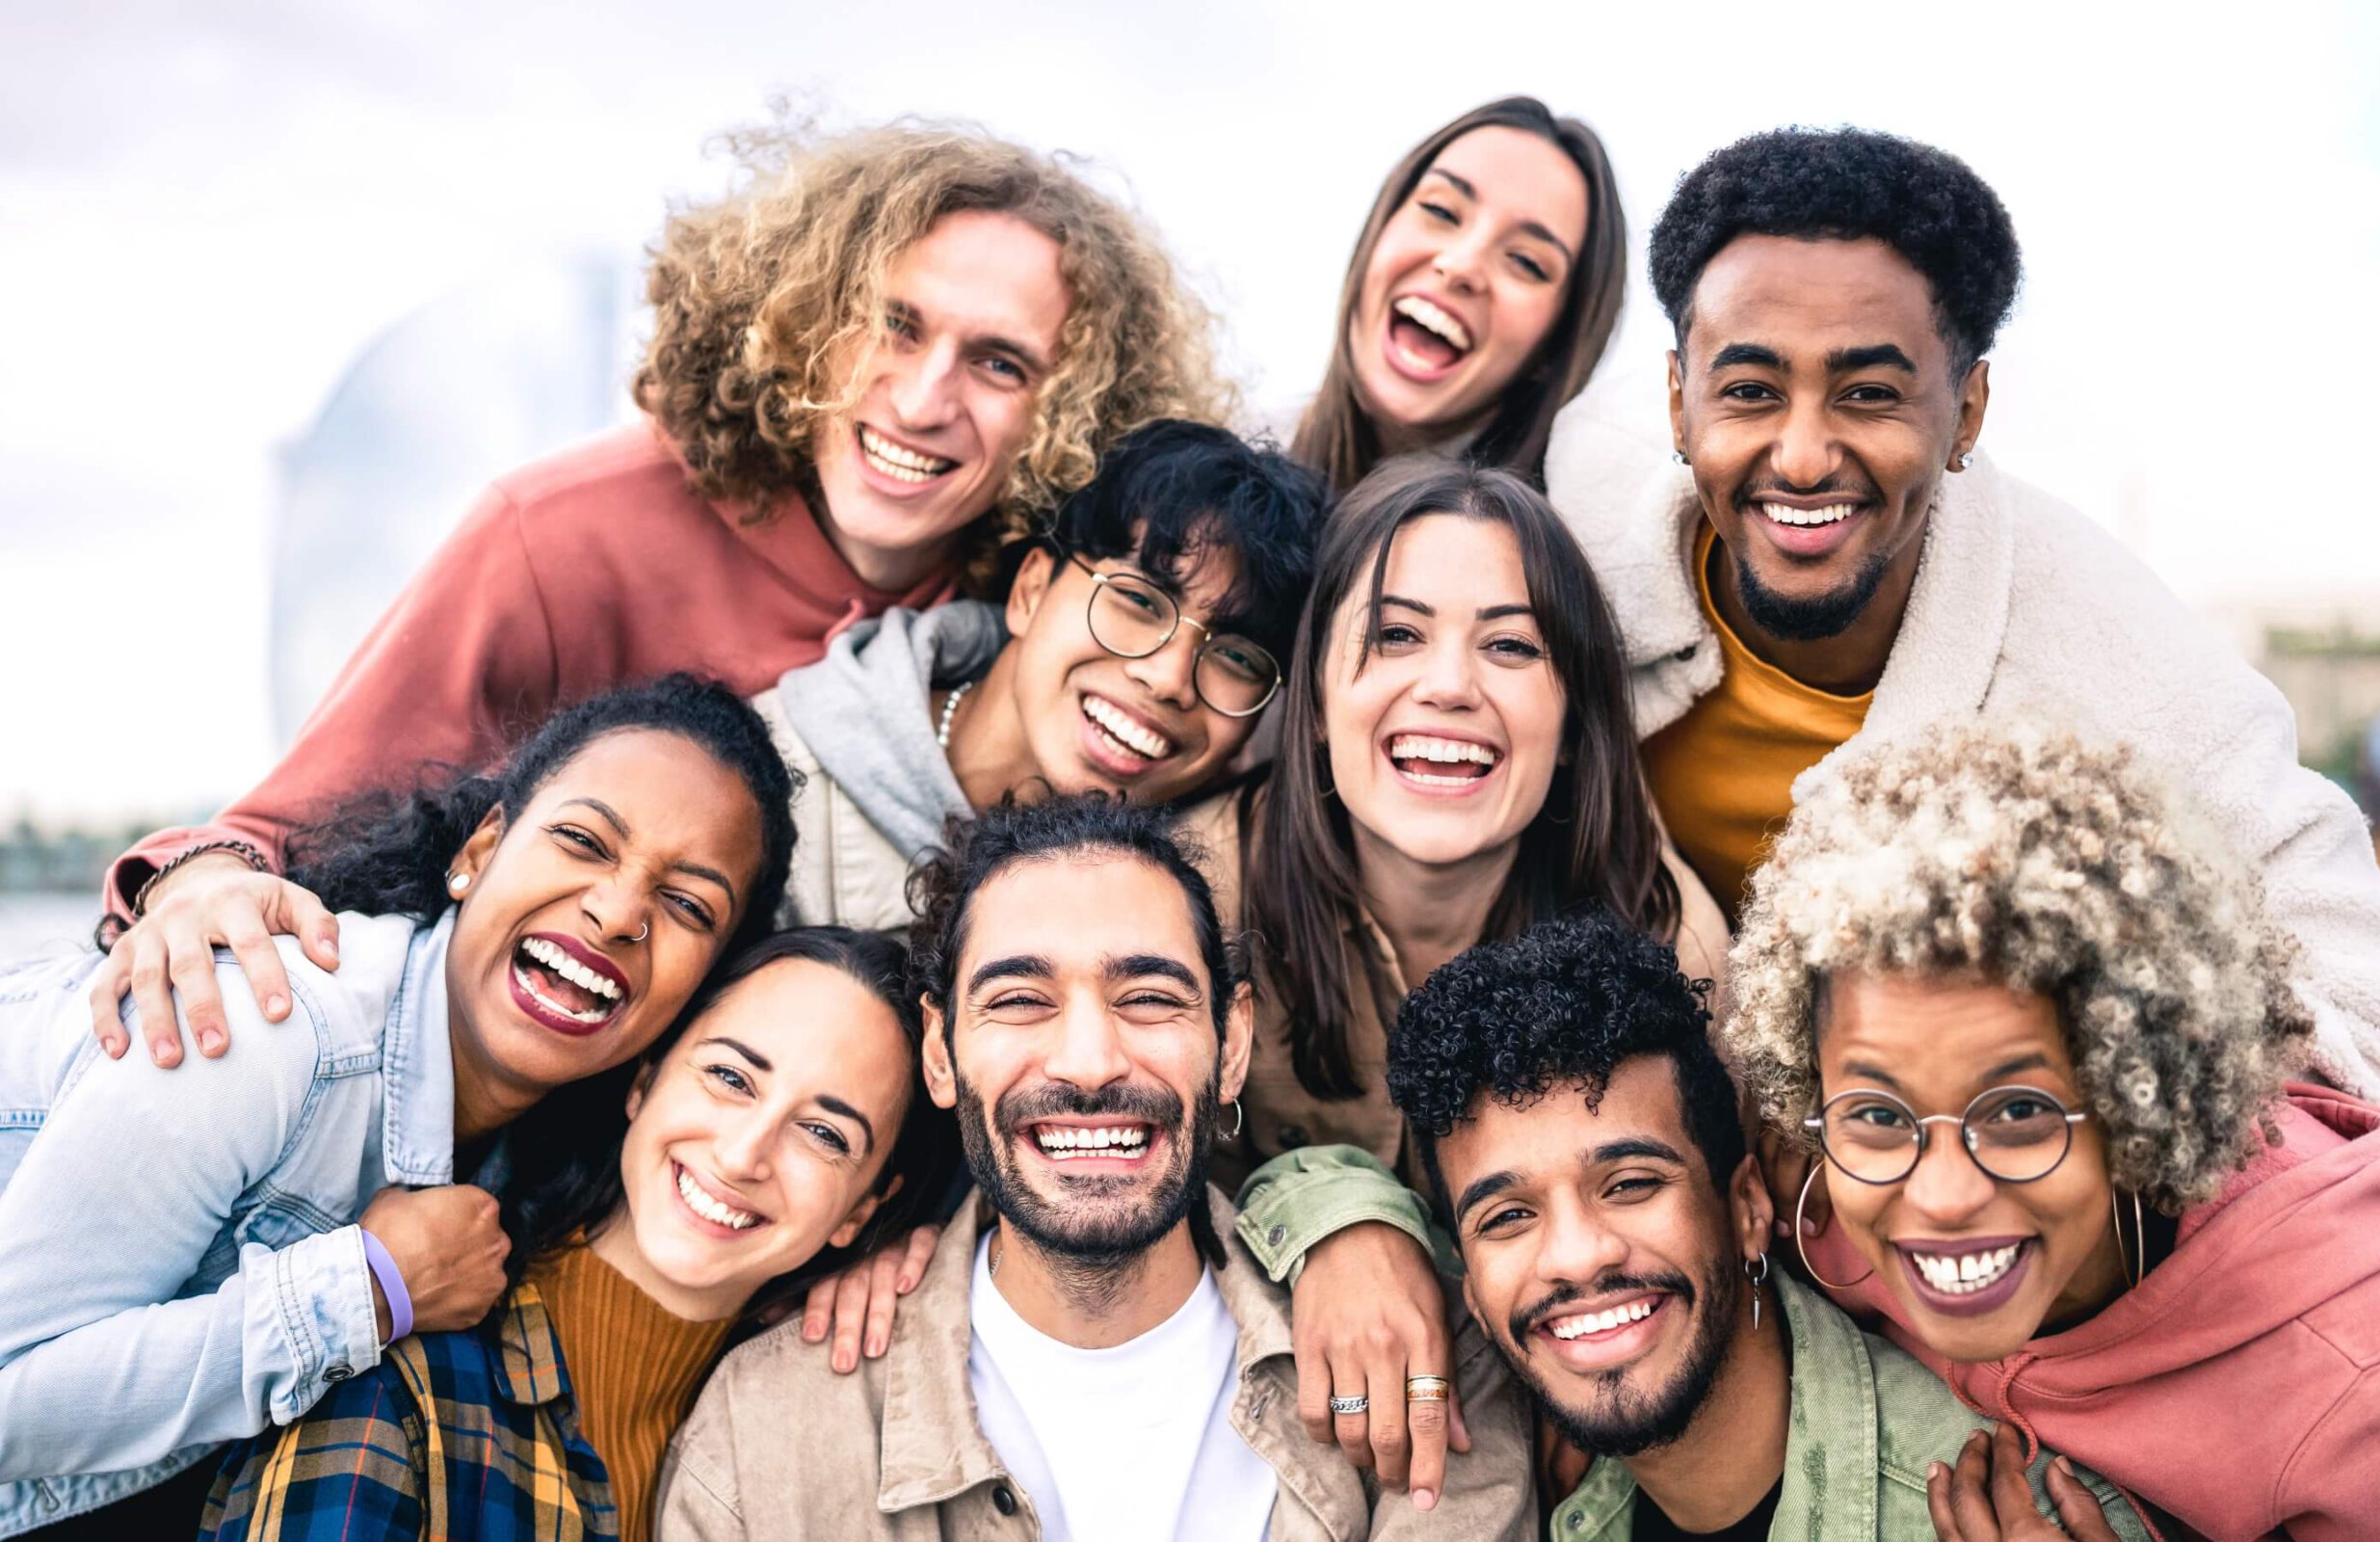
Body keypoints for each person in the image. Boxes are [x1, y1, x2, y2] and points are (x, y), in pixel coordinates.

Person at [91, 120, 1226, 1073]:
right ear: (801, 318)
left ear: (1067, 411)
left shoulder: (1035, 605)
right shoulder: (563, 532)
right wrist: (197, 884)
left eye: (999, 364)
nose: (925, 399)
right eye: (893, 323)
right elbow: (285, 834)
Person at [1538, 125, 2380, 1121]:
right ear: (1679, 400)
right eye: (1751, 392)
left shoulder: (2114, 660)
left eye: (1869, 394)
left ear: (1968, 411)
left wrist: (2077, 1032)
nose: (1802, 455)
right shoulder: (1579, 500)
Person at [0, 677, 795, 1536]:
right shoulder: (270, 1026)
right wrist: (369, 1291)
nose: (616, 912)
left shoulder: (529, 1157)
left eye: (687, 905)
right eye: (582, 840)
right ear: (479, 851)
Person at [660, 796, 1536, 1539]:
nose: (1087, 1063)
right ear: (940, 1050)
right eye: (1019, 1001)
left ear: (1230, 1044)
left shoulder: (1427, 1364)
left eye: (1149, 998)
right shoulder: (764, 1431)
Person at [1724, 721, 2380, 1540]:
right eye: (1877, 1113)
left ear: (2137, 1101)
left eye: (2017, 1113)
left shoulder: (2358, 1374)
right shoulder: (1823, 1217)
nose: (1939, 1196)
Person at [1196, 457, 1729, 1497]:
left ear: (1575, 725)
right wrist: (1329, 1214)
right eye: (1395, 635)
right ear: (1311, 702)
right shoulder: (1190, 901)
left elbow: (1726, 1236)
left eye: (1509, 645)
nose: (1447, 683)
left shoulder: (1666, 942)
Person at [1387, 911, 2150, 1541]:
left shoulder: (2019, 1511)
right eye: (1509, 1217)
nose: (1578, 1256)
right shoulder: (1513, 1460)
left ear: (1749, 1209)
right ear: (1474, 1294)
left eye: (1630, 1184)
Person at [199, 926, 959, 1541]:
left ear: (862, 1210)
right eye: (729, 1077)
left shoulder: (818, 1433)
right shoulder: (401, 1385)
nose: (742, 1154)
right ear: (644, 1080)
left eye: (824, 1133)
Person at [753, 417, 1323, 929]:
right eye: (1139, 600)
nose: (1169, 678)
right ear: (1029, 591)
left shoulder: (1210, 909)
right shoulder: (764, 789)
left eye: (1238, 657)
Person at [1286, 96, 1624, 494]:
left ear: (1553, 349)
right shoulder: (1227, 451)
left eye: (1526, 262)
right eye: (1441, 211)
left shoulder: (1575, 534)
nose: (1462, 265)